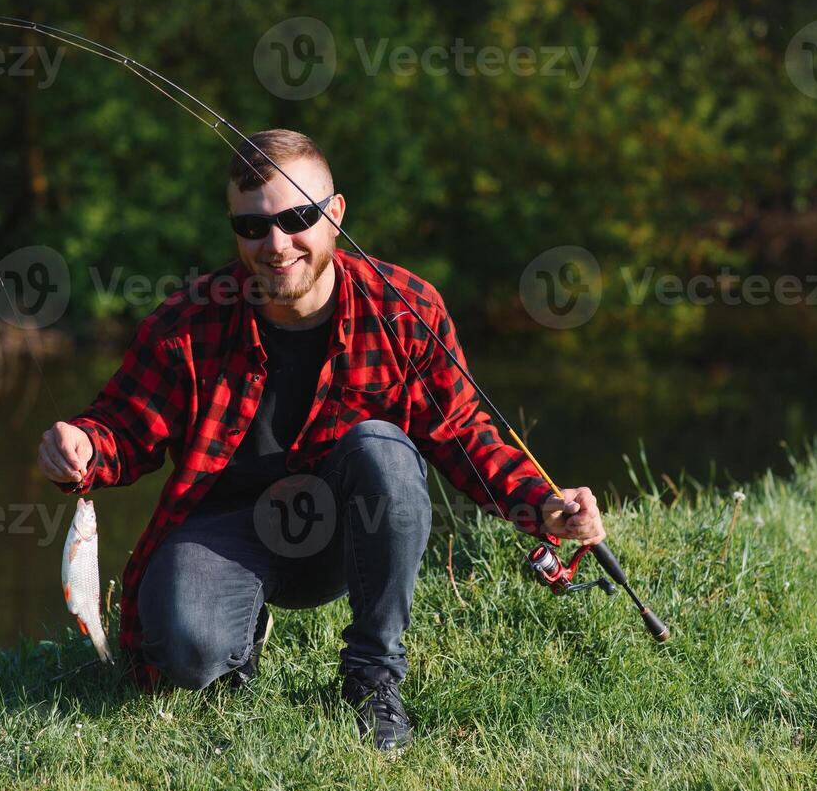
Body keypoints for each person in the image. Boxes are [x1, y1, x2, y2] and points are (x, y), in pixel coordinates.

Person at [38, 129, 605, 751]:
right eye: (252, 227)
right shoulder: (189, 321)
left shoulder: (406, 309)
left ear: (335, 213)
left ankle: (372, 675)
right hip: (227, 528)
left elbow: (464, 431)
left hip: (345, 530)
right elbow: (124, 427)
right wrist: (83, 446)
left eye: (297, 217)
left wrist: (542, 501)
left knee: (384, 448)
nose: (276, 244)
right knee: (184, 653)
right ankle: (237, 641)